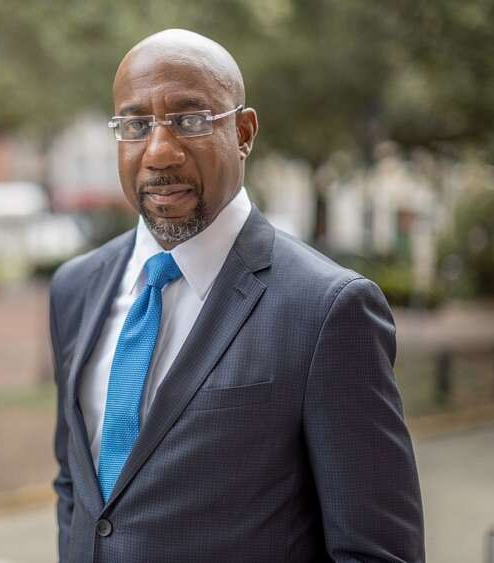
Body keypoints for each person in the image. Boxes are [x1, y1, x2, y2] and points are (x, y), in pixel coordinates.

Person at [49, 29, 423, 562]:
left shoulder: (328, 310)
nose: (159, 152)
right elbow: (77, 492)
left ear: (244, 132)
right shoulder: (75, 288)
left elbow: (378, 553)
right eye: (135, 125)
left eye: (191, 120)